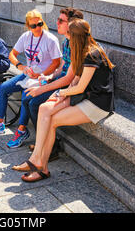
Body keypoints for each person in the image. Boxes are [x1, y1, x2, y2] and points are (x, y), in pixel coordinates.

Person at [13, 18, 115, 182]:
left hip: (97, 104)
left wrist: (60, 93)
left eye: (69, 36)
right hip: (84, 96)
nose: (67, 40)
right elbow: (75, 79)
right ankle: (37, 161)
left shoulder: (92, 54)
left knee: (52, 120)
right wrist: (60, 93)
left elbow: (80, 87)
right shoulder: (83, 50)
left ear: (76, 37)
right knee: (45, 109)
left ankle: (40, 165)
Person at [0, 9, 62, 148]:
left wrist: (41, 74)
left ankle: (21, 131)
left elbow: (57, 62)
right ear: (27, 26)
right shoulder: (26, 37)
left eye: (40, 24)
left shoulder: (50, 39)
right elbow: (12, 54)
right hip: (28, 74)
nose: (37, 28)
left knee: (26, 94)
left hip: (44, 77)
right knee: (3, 88)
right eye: (33, 26)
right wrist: (20, 66)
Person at [21, 7, 84, 156]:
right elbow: (62, 66)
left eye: (61, 20)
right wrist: (49, 77)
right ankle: (42, 142)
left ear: (71, 24)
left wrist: (43, 88)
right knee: (27, 98)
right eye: (58, 19)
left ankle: (51, 147)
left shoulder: (77, 45)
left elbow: (69, 79)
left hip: (70, 86)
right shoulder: (66, 42)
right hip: (60, 79)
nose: (57, 22)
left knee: (35, 103)